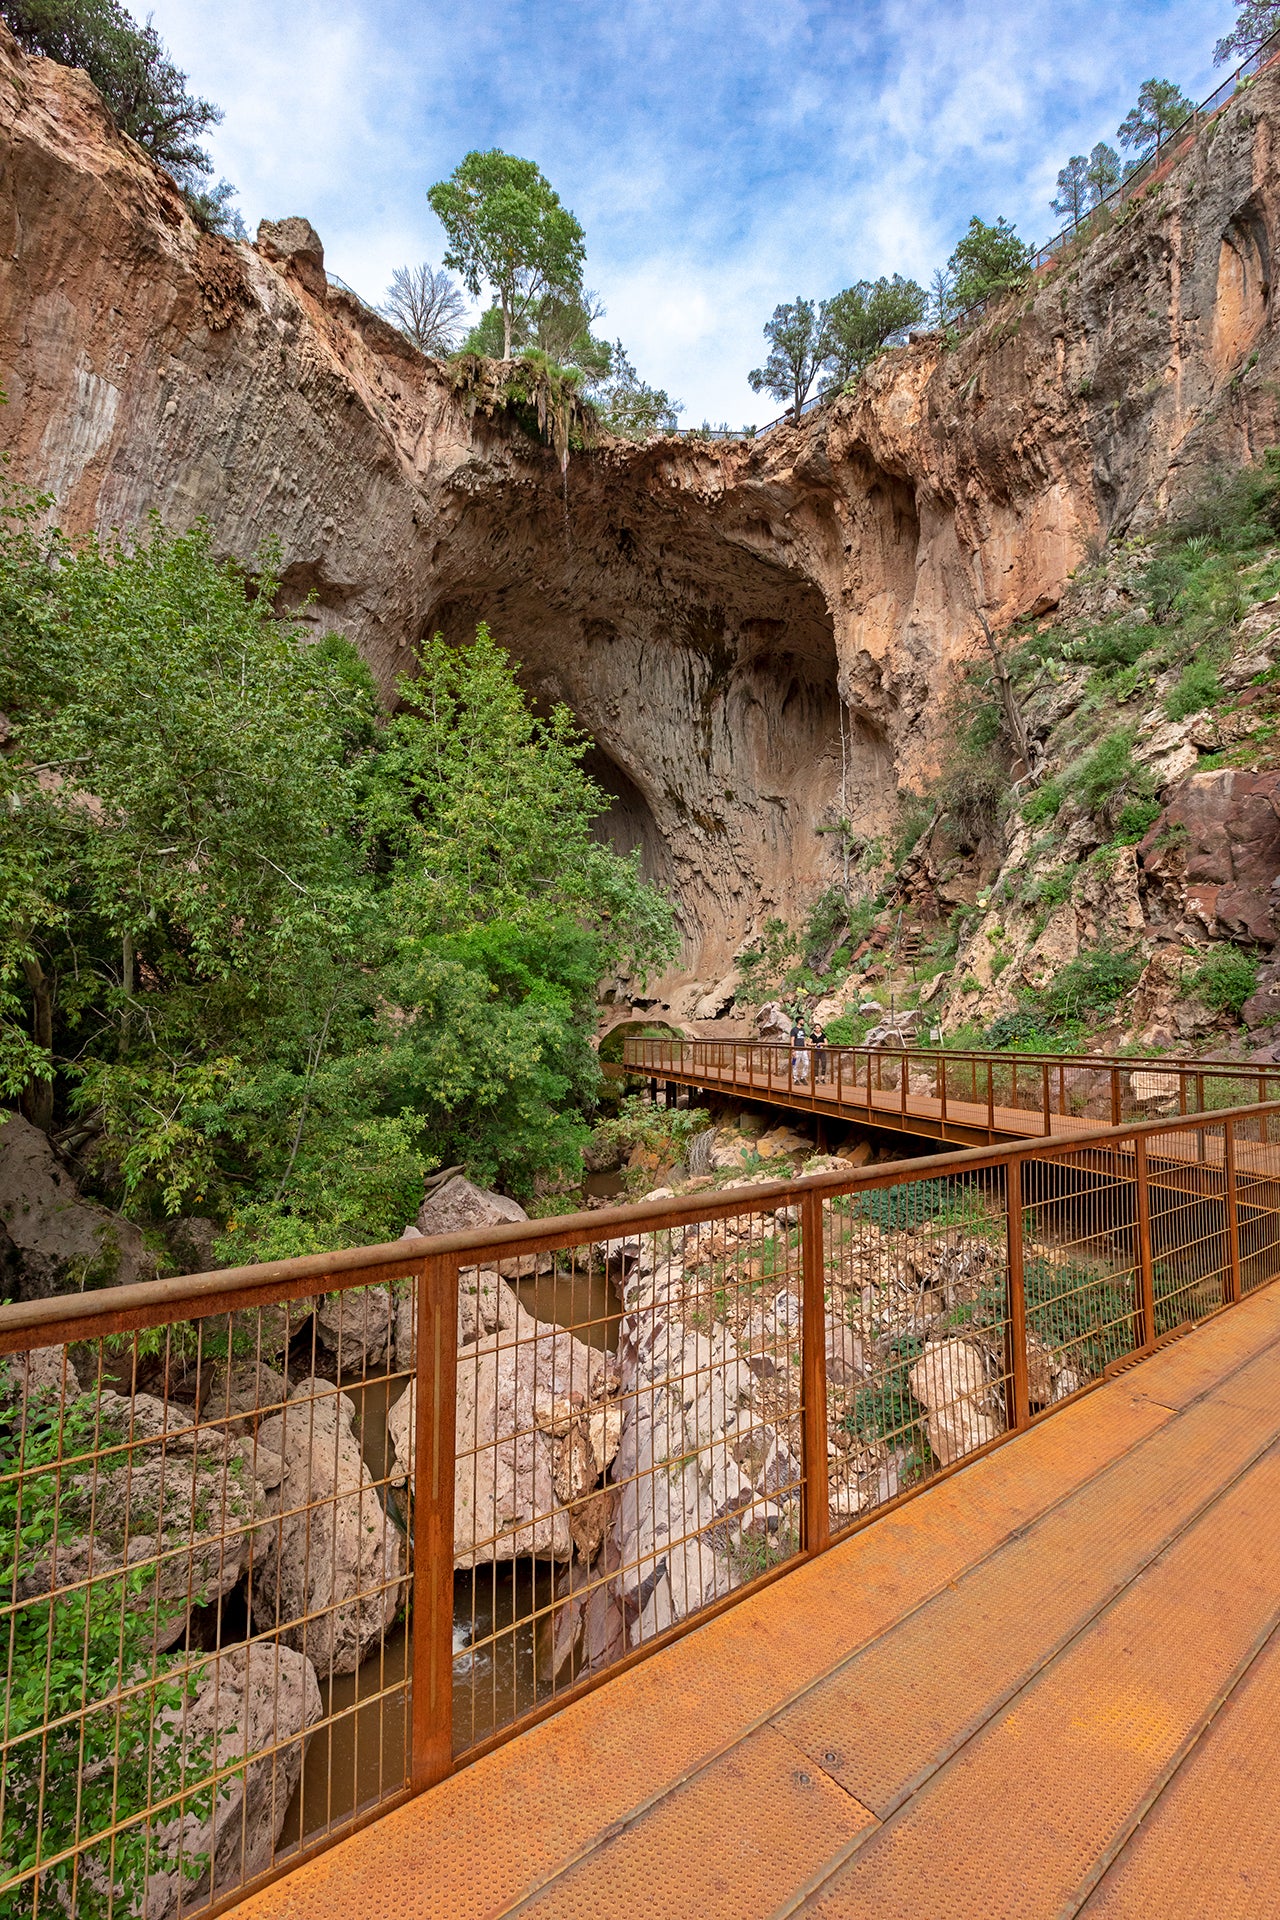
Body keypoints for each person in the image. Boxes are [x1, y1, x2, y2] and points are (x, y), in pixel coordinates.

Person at [791, 1020, 810, 1085]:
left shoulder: (803, 1030)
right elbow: (792, 1040)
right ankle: (795, 1079)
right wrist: (793, 1050)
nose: (804, 1022)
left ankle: (803, 1077)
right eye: (802, 1020)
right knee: (795, 1064)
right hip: (797, 1049)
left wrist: (806, 1049)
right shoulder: (794, 1030)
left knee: (806, 1063)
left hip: (803, 1049)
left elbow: (804, 1039)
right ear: (799, 1021)